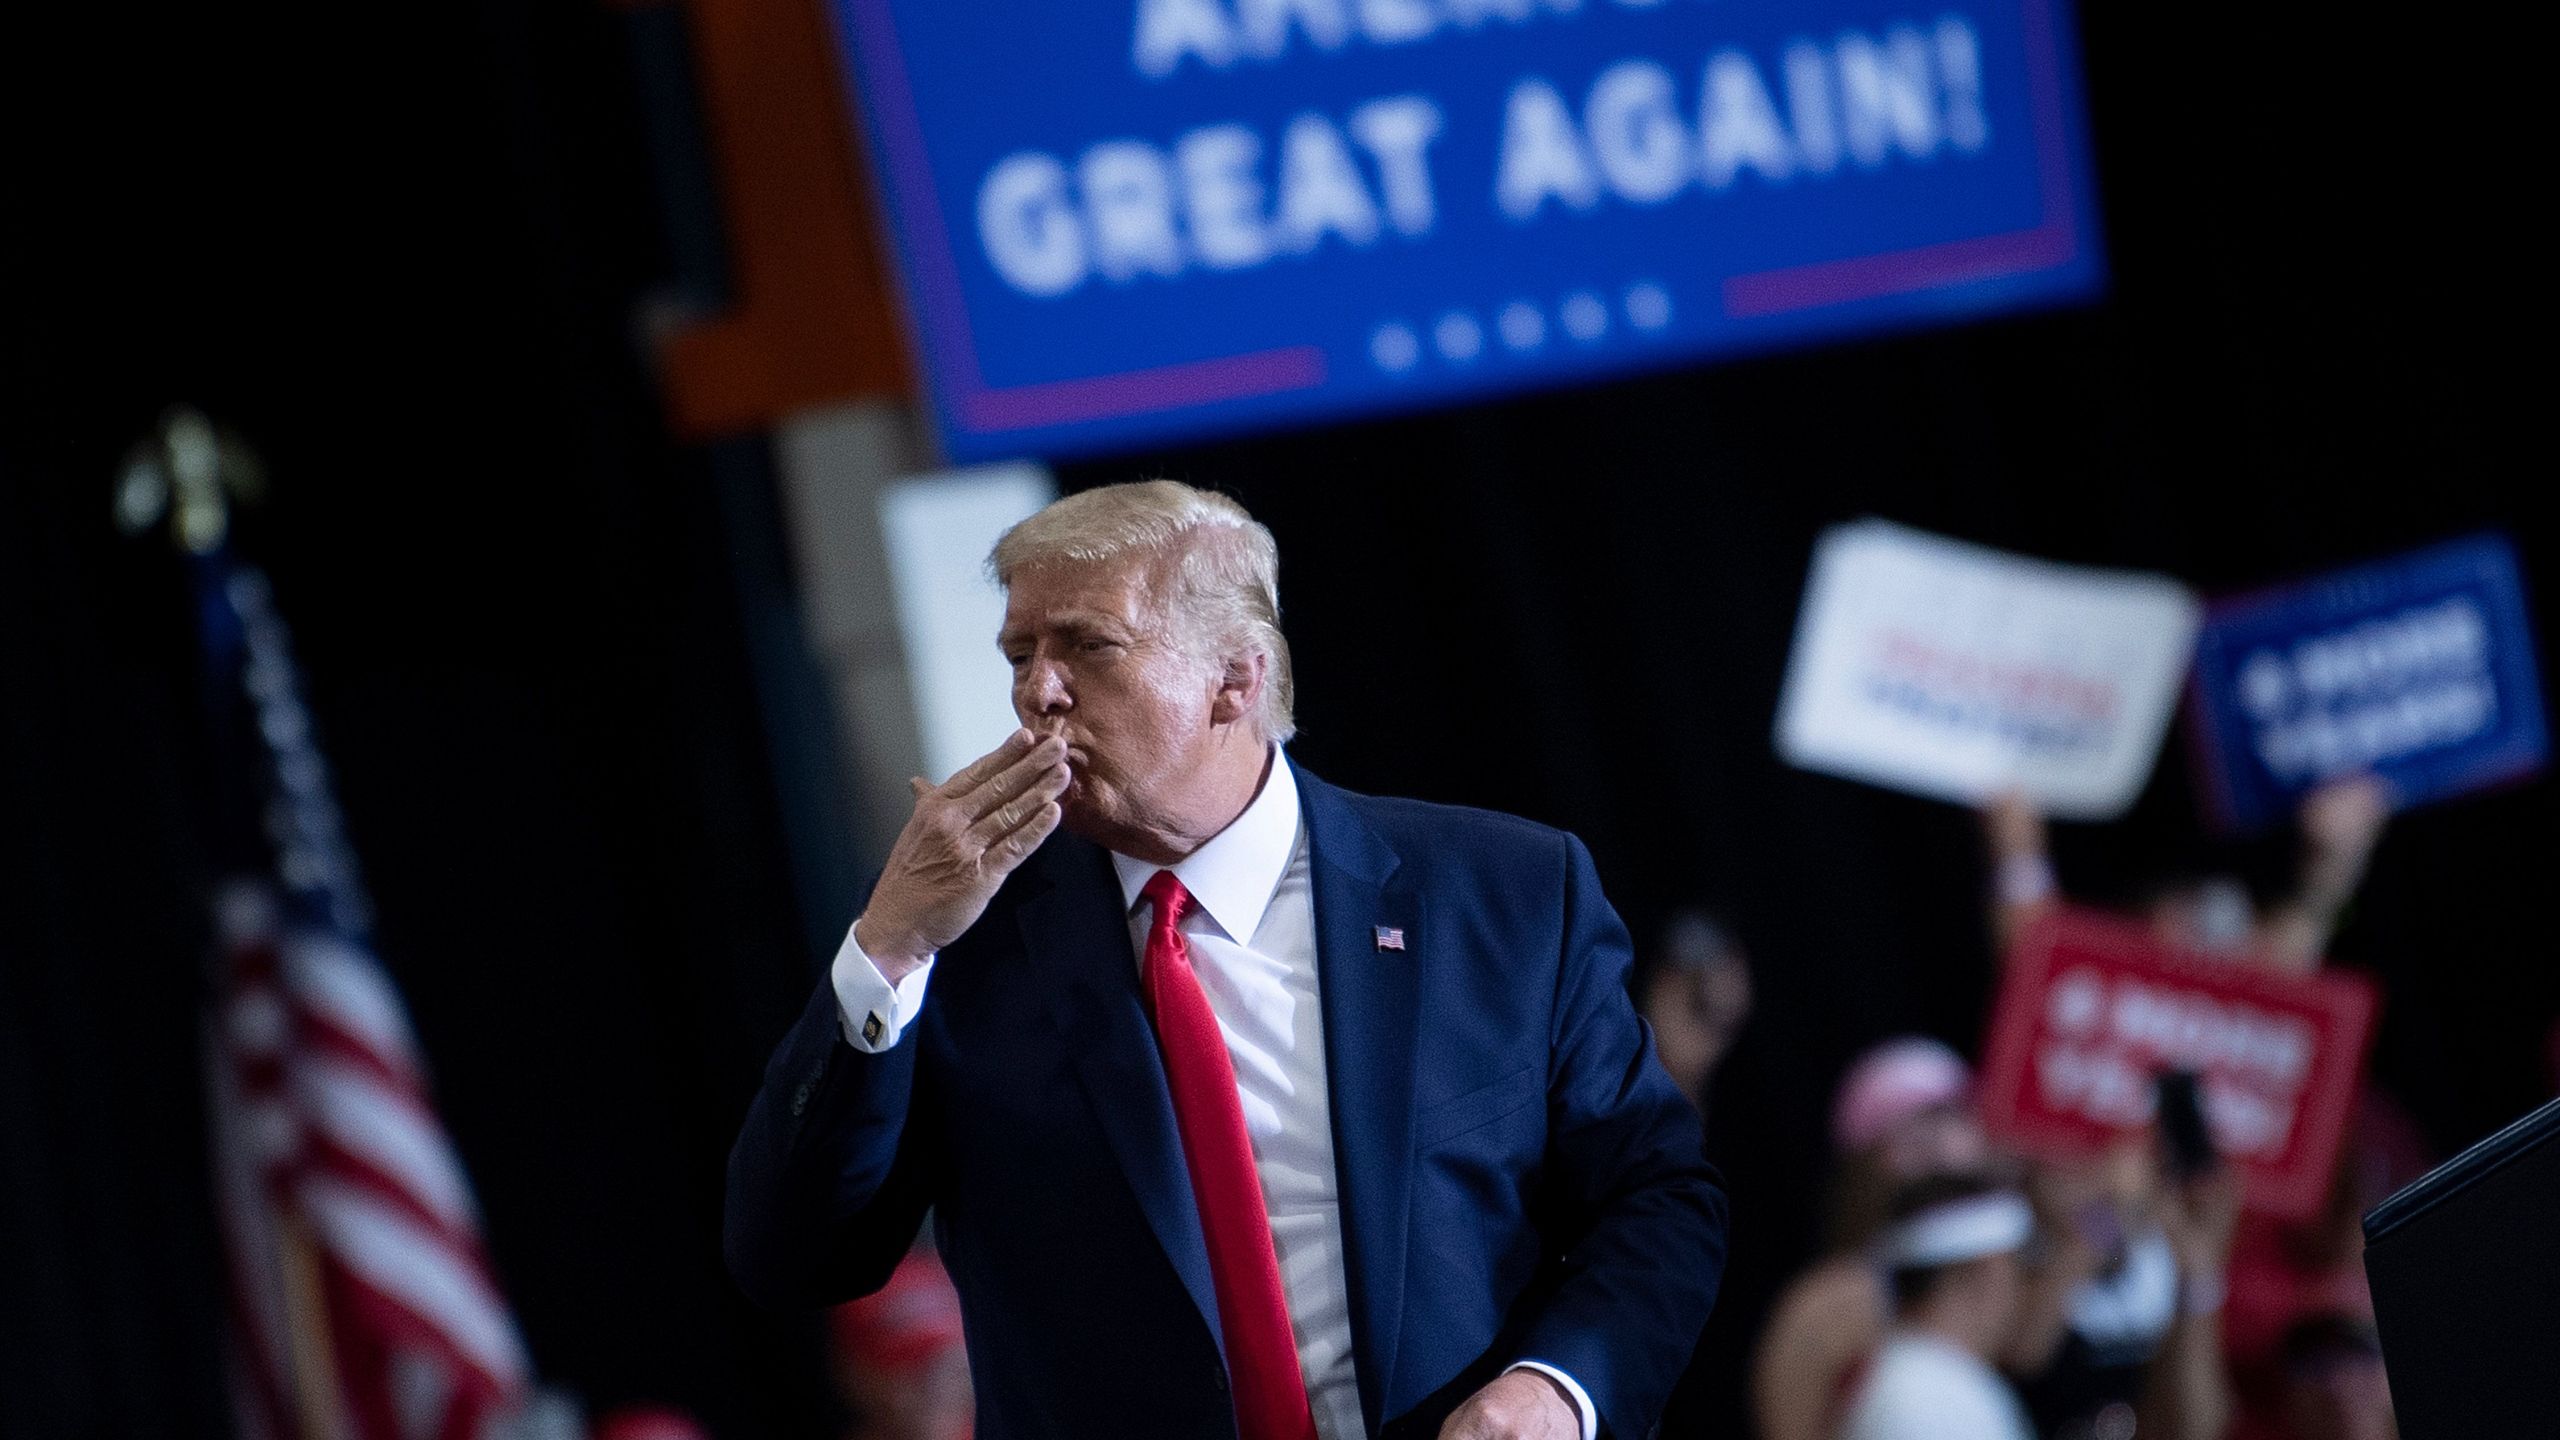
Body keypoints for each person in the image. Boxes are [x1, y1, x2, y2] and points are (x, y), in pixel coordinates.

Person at [725, 481, 1727, 1440]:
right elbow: (790, 1255)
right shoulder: (960, 943)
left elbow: (1656, 1199)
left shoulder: (1501, 891)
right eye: (1020, 653)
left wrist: (1558, 1391)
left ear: (1236, 678)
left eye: (1087, 647)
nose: (1038, 691)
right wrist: (887, 948)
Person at [1835, 1173, 2039, 1440]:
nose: (2023, 1289)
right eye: (2018, 1267)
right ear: (1982, 1272)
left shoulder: (1911, 1378)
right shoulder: (1940, 1399)